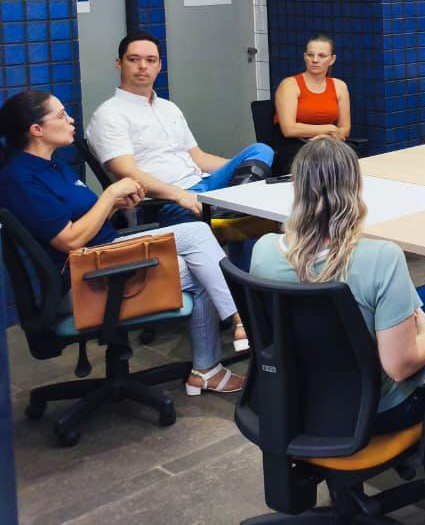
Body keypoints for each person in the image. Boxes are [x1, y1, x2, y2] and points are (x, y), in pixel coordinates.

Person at [250, 138, 425, 452]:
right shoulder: (379, 258)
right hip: (374, 409)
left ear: (295, 186)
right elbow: (400, 367)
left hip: (298, 397)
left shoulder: (263, 251)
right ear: (355, 188)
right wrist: (424, 331)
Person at [0, 91, 248, 395]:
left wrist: (117, 204)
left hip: (106, 254)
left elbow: (87, 219)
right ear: (36, 130)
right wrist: (109, 196)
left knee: (197, 239)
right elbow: (70, 240)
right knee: (201, 263)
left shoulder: (54, 166)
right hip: (85, 279)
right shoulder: (22, 179)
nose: (71, 120)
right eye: (62, 115)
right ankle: (220, 350)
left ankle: (229, 334)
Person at [87, 32, 274, 226]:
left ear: (159, 66)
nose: (143, 66)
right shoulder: (109, 114)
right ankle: (232, 211)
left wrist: (243, 167)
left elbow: (199, 158)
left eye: (151, 60)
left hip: (205, 184)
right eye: (134, 59)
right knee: (251, 216)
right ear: (119, 64)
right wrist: (180, 195)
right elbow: (127, 173)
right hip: (166, 201)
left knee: (261, 150)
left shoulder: (168, 107)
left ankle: (228, 211)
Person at [272, 34, 352, 171]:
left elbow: (345, 128)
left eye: (322, 56)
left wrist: (324, 138)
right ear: (305, 57)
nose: (315, 60)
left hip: (329, 144)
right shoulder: (289, 85)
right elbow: (289, 129)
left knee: (345, 160)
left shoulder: (340, 86)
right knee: (323, 161)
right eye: (310, 55)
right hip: (295, 146)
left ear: (332, 59)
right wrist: (327, 129)